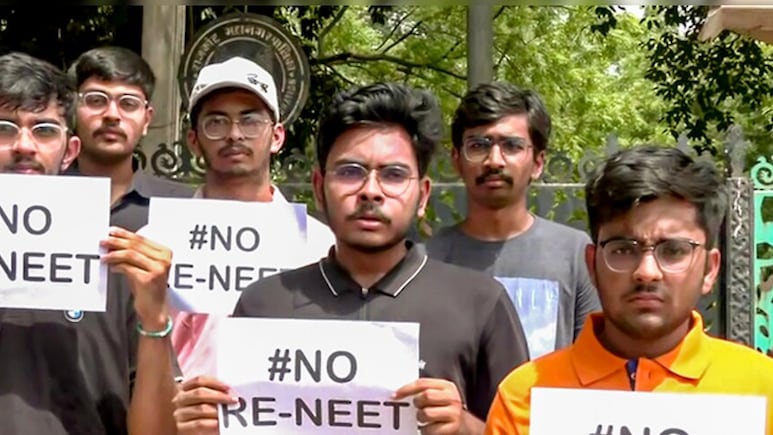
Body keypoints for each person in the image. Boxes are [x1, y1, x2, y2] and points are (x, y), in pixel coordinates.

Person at [172, 82, 530, 435]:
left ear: (422, 195)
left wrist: (465, 427)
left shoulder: (480, 303)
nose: (370, 191)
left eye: (393, 175)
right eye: (350, 172)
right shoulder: (264, 304)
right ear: (319, 188)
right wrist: (202, 423)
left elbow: (523, 429)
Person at [484, 145, 773, 434]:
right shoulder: (526, 397)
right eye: (623, 250)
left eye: (673, 250)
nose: (647, 272)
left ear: (709, 269)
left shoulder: (762, 390)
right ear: (592, 264)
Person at [0, 52, 178, 434]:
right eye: (4, 128)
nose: (24, 145)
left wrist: (155, 319)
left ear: (70, 152)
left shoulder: (113, 257)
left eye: (44, 130)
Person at [170, 56, 335, 378]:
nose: (234, 134)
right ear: (193, 141)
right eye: (216, 122)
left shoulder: (321, 246)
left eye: (250, 121)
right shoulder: (156, 242)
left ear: (277, 136)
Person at [426, 82, 599, 359]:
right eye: (478, 146)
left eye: (512, 146)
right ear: (457, 160)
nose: (494, 160)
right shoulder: (428, 259)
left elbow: (591, 362)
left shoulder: (575, 253)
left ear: (538, 163)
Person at [68, 46, 193, 232]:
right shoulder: (42, 196)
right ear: (72, 110)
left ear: (146, 120)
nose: (112, 115)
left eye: (128, 103)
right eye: (96, 100)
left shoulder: (184, 207)